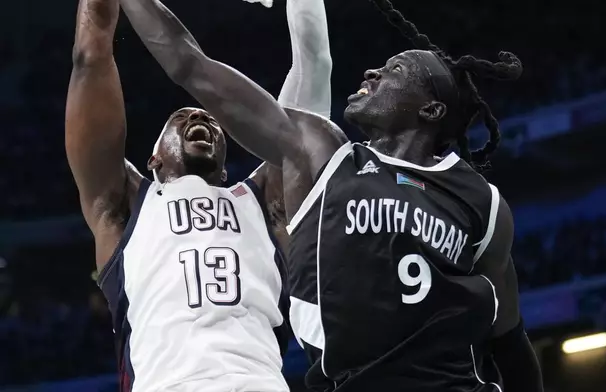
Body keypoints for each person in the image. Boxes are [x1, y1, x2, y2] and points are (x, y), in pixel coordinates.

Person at [120, 1, 543, 392]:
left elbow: (509, 338)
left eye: (394, 70)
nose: (372, 74)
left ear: (430, 110)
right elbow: (189, 64)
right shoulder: (321, 156)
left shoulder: (483, 202)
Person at [64, 0, 333, 390]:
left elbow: (315, 65)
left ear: (225, 166)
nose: (200, 117)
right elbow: (90, 55)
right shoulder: (125, 206)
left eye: (208, 117)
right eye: (181, 119)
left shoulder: (264, 204)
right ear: (154, 159)